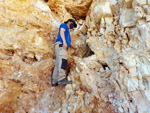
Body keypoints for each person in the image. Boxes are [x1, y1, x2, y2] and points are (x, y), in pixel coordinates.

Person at [52, 18, 78, 87]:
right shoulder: (64, 25)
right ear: (69, 22)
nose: (72, 26)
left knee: (58, 63)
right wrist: (64, 41)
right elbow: (61, 31)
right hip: (61, 45)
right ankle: (61, 78)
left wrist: (75, 48)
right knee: (63, 61)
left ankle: (54, 81)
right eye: (72, 24)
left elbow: (70, 42)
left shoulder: (68, 33)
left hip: (59, 46)